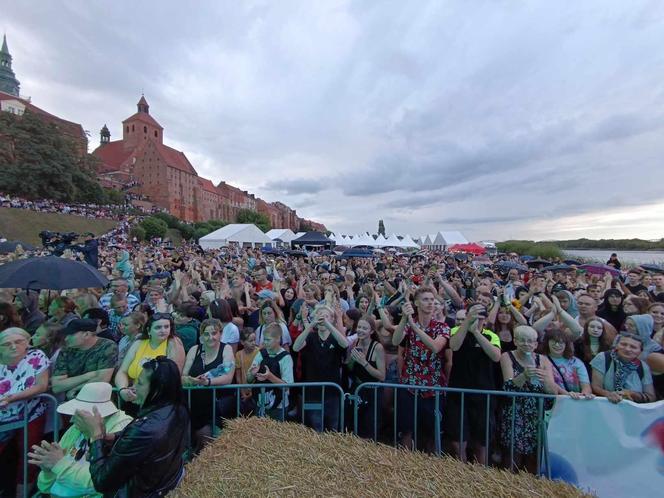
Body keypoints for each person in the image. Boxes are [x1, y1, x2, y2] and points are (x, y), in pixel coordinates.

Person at [73, 357, 189, 497]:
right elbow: (142, 443)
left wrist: (95, 436)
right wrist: (111, 437)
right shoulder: (178, 409)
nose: (134, 387)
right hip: (161, 486)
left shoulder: (145, 429)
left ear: (157, 390)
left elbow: (102, 482)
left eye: (140, 383)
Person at [30, 382, 133, 498]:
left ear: (97, 415)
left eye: (77, 414)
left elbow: (100, 483)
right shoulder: (75, 429)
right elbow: (45, 488)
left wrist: (58, 464)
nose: (71, 420)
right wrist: (47, 470)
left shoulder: (123, 429)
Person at [391, 287, 450, 452]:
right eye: (425, 299)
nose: (430, 303)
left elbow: (435, 347)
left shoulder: (442, 326)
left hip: (434, 388)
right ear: (416, 303)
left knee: (433, 433)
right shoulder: (409, 323)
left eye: (432, 299)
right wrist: (404, 318)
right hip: (410, 386)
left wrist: (416, 328)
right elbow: (396, 341)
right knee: (406, 431)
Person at [446, 304, 501, 464]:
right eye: (472, 316)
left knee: (481, 442)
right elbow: (454, 346)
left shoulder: (491, 336)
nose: (475, 320)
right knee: (458, 440)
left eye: (479, 317)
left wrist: (476, 332)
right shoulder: (456, 331)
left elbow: (496, 356)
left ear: (484, 320)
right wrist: (467, 324)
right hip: (458, 393)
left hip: (483, 395)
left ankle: (480, 475)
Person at [499, 326, 557, 473]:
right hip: (514, 414)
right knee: (512, 459)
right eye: (523, 340)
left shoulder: (543, 360)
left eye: (531, 341)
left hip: (536, 415)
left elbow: (552, 391)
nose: (527, 344)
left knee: (533, 461)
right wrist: (524, 376)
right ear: (515, 341)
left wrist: (545, 381)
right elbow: (508, 387)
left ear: (536, 344)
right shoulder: (507, 356)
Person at [0, 328, 50, 497]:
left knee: (29, 455)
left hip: (30, 414)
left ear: (27, 342)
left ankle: (21, 494)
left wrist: (13, 397)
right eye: (7, 344)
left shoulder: (36, 356)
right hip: (2, 417)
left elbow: (41, 386)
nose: (13, 346)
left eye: (19, 342)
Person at [293, 304, 349, 432]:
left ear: (332, 319)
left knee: (332, 428)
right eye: (320, 315)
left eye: (326, 316)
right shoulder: (311, 337)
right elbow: (296, 347)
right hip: (313, 390)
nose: (322, 318)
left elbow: (345, 344)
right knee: (315, 428)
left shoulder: (335, 337)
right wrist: (311, 325)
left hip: (333, 390)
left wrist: (329, 325)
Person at [181, 318, 235, 452]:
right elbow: (183, 375)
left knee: (207, 441)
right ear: (201, 336)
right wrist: (189, 380)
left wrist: (208, 382)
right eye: (206, 334)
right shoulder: (194, 350)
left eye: (214, 333)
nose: (211, 337)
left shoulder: (226, 349)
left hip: (215, 406)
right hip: (193, 403)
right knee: (189, 441)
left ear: (220, 334)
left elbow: (228, 377)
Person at [116, 313, 185, 408]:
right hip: (134, 399)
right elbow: (122, 371)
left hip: (159, 403)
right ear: (149, 330)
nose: (163, 330)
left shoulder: (174, 342)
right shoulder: (139, 343)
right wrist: (122, 390)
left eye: (166, 327)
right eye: (158, 327)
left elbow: (172, 377)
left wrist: (145, 392)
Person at [52, 319, 117, 400]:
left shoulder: (107, 346)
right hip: (71, 400)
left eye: (71, 335)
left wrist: (75, 389)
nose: (66, 339)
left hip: (98, 397)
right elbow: (57, 386)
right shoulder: (66, 349)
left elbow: (102, 380)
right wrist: (88, 376)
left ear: (86, 334)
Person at [346, 315, 386, 439]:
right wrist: (351, 360)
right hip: (357, 390)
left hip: (373, 392)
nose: (360, 330)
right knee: (354, 426)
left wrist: (364, 362)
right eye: (359, 327)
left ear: (372, 331)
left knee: (368, 428)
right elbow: (349, 368)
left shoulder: (377, 347)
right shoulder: (355, 343)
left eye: (364, 328)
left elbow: (382, 376)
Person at [247, 322, 294, 420]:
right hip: (261, 404)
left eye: (268, 340)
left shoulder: (286, 358)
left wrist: (270, 376)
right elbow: (248, 379)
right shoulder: (260, 354)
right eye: (264, 339)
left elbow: (287, 386)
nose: (265, 342)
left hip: (279, 406)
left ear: (278, 339)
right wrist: (252, 374)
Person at [591, 333, 655, 403]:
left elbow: (651, 397)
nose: (627, 349)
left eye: (633, 347)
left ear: (640, 351)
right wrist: (609, 394)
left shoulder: (643, 367)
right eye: (623, 344)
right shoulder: (603, 358)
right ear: (616, 345)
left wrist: (633, 394)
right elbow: (596, 387)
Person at [542, 328, 593, 398]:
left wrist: (584, 394)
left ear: (566, 345)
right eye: (554, 341)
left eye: (561, 342)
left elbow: (586, 386)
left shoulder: (576, 362)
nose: (557, 345)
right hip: (553, 400)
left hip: (575, 400)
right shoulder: (541, 360)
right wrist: (567, 395)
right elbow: (550, 383)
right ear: (547, 342)